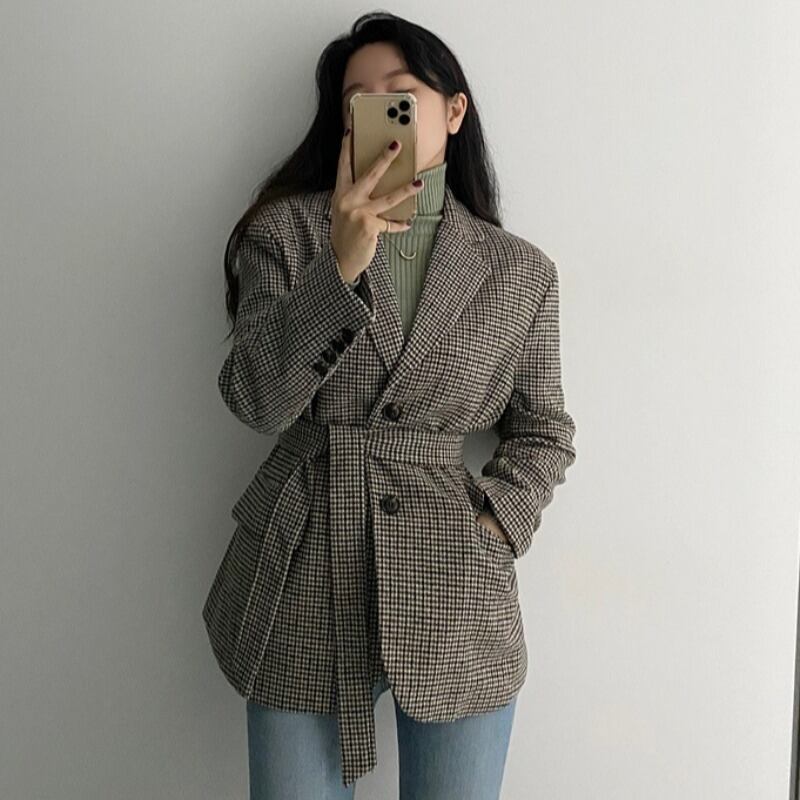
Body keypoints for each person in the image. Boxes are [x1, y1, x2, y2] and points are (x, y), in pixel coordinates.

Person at [203, 11, 577, 799]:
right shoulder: (285, 234)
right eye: (358, 103)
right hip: (305, 566)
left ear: (453, 110)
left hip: (455, 587)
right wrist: (339, 267)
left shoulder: (519, 272)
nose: (378, 114)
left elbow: (544, 431)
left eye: (399, 96)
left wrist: (494, 528)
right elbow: (258, 401)